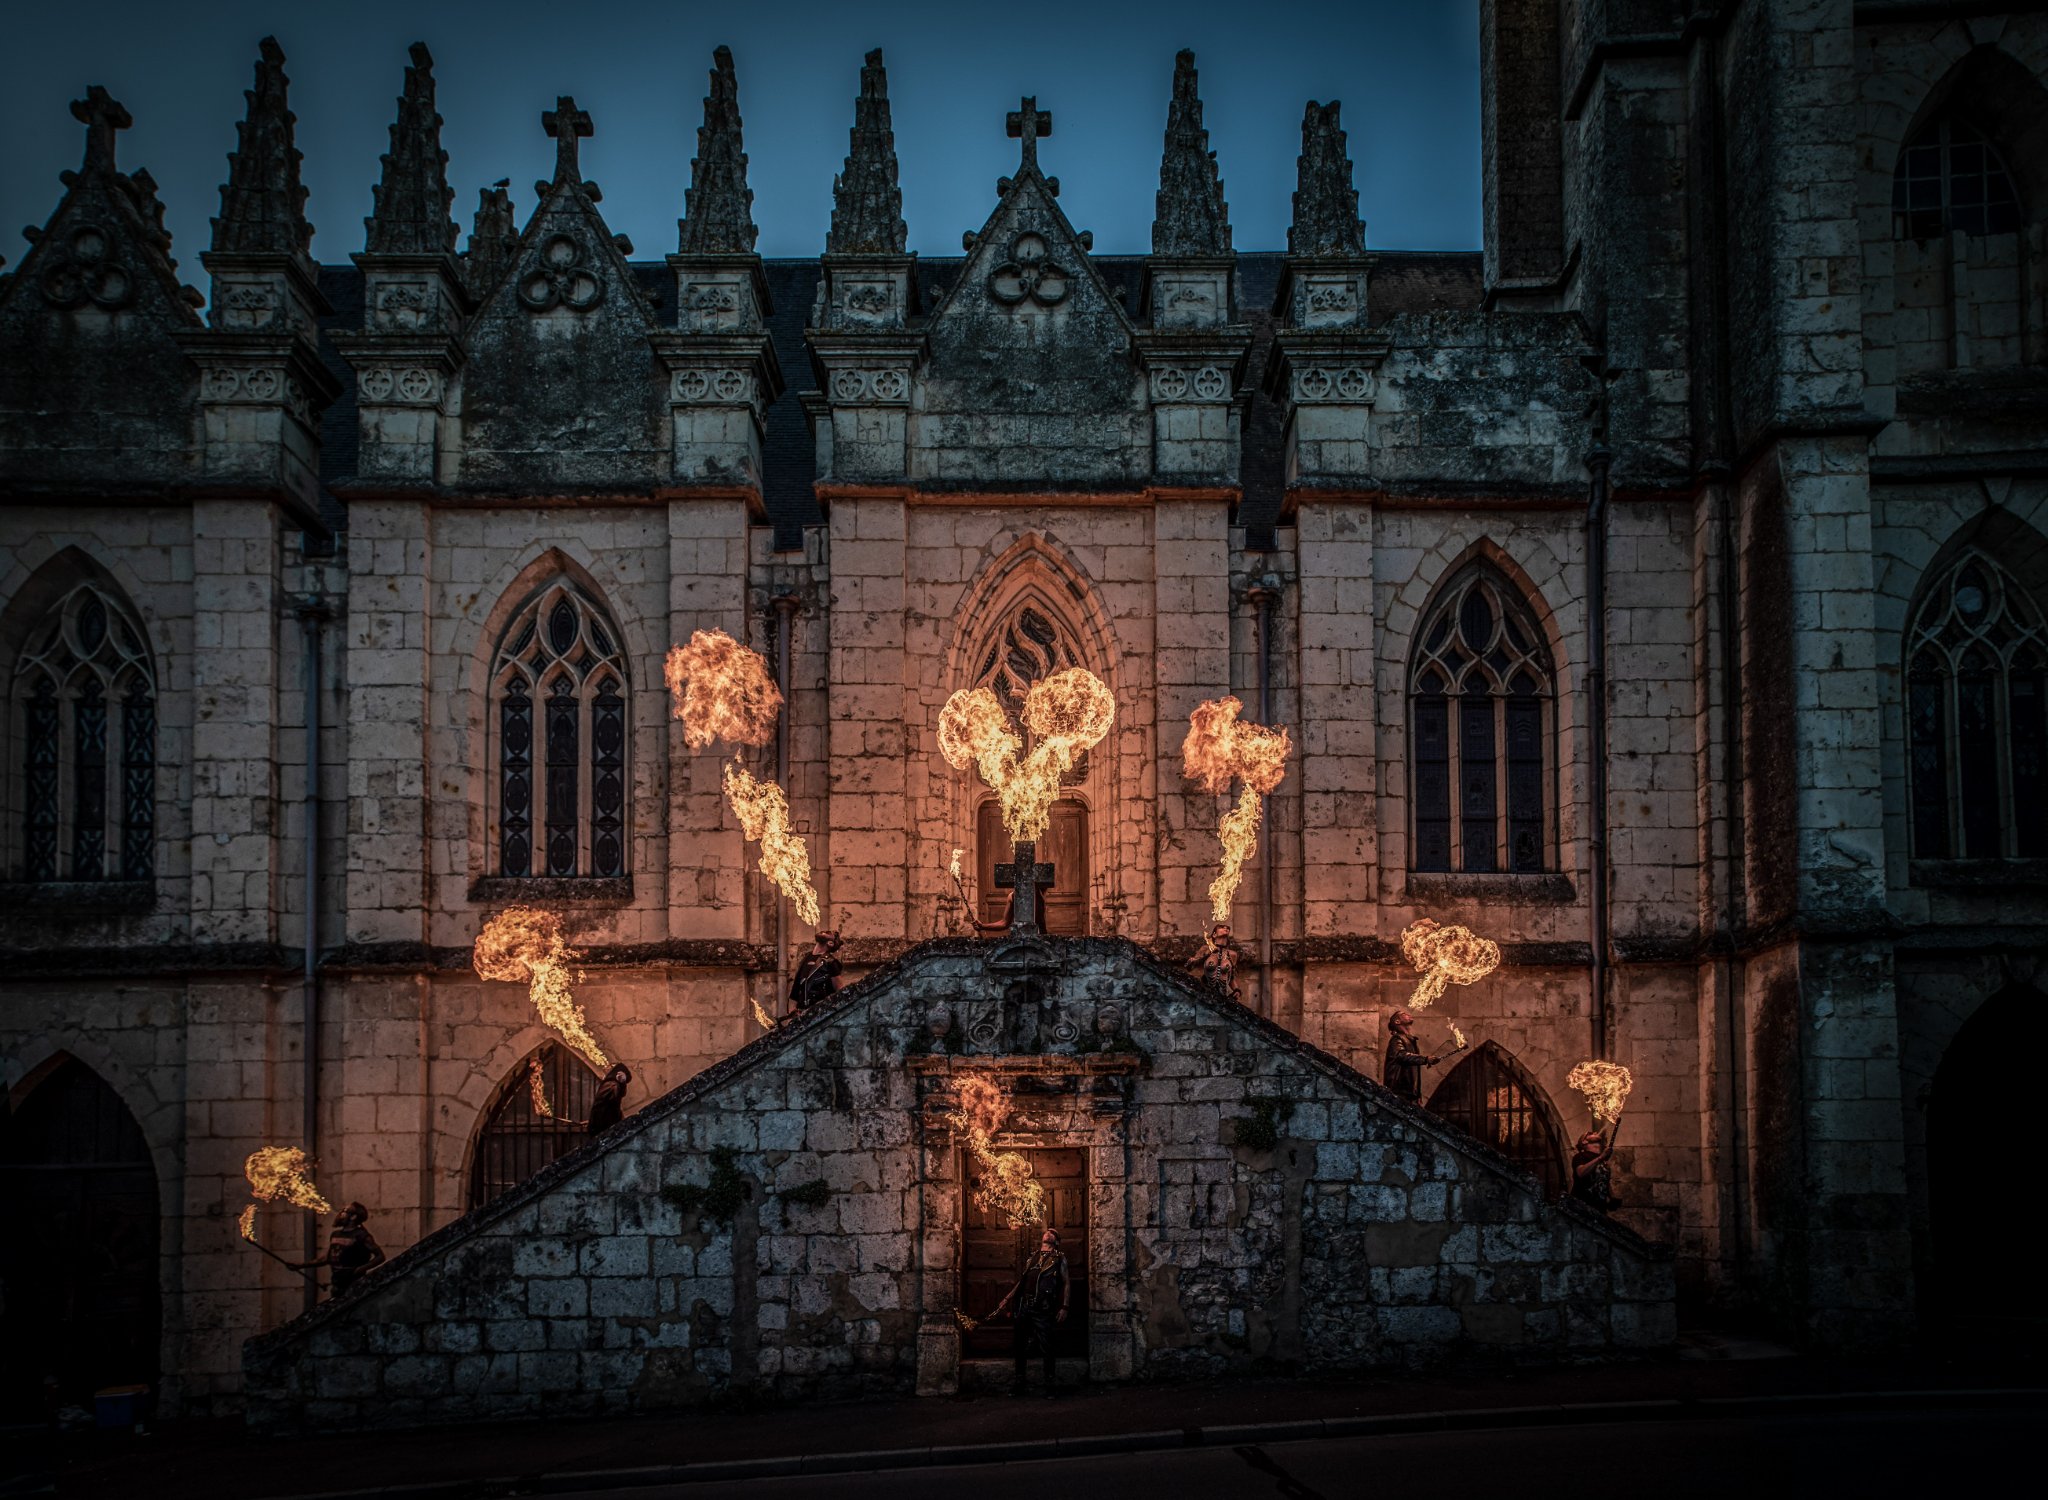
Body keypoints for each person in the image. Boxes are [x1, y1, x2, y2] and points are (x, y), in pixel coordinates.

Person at [992, 1226, 1070, 1396]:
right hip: (1025, 1307)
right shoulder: (1033, 1258)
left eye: (1053, 1232)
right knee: (1019, 1345)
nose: (1049, 1231)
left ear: (1056, 1241)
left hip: (1044, 1309)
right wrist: (1008, 1298)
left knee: (1047, 1347)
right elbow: (1022, 1282)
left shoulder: (1059, 1258)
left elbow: (1066, 1283)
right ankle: (1020, 1383)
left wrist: (1065, 1306)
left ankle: (1050, 1385)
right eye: (1047, 1231)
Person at [288, 1202, 386, 1300]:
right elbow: (325, 1259)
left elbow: (380, 1257)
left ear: (353, 1217)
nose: (340, 1213)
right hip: (337, 1286)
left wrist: (359, 1270)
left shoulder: (361, 1236)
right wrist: (300, 1265)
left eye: (345, 1211)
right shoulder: (335, 1234)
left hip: (355, 1287)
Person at [1380, 1009, 1462, 1105]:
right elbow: (1401, 1056)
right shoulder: (1396, 1039)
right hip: (1399, 1092)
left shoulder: (1410, 1040)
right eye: (1403, 1014)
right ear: (1397, 1021)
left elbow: (1414, 1070)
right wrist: (1425, 1059)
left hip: (1409, 1094)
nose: (1408, 1014)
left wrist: (1417, 1094)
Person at [1570, 1119, 1623, 1212]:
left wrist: (1612, 1197)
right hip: (1582, 1207)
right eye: (1590, 1133)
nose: (1595, 1132)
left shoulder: (1602, 1159)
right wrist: (1601, 1157)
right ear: (1584, 1142)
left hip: (1599, 1208)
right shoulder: (1579, 1156)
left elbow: (1602, 1179)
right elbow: (1581, 1173)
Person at [789, 930, 844, 1015]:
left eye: (829, 933)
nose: (825, 931)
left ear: (830, 943)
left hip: (820, 1015)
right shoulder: (806, 959)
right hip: (803, 1016)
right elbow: (795, 993)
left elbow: (840, 991)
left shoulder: (831, 963)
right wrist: (792, 1014)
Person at [1186, 922, 1243, 1000]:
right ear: (1214, 935)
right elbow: (1190, 968)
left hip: (1223, 996)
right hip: (1206, 994)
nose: (1225, 928)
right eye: (1221, 927)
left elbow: (1231, 977)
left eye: (1227, 927)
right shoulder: (1206, 949)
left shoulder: (1232, 954)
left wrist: (1236, 990)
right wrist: (1191, 962)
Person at [586, 1063, 632, 1136]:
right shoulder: (611, 1084)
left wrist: (622, 1083)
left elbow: (616, 1097)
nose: (607, 1068)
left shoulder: (613, 1085)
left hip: (604, 1122)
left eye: (611, 1066)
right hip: (602, 1122)